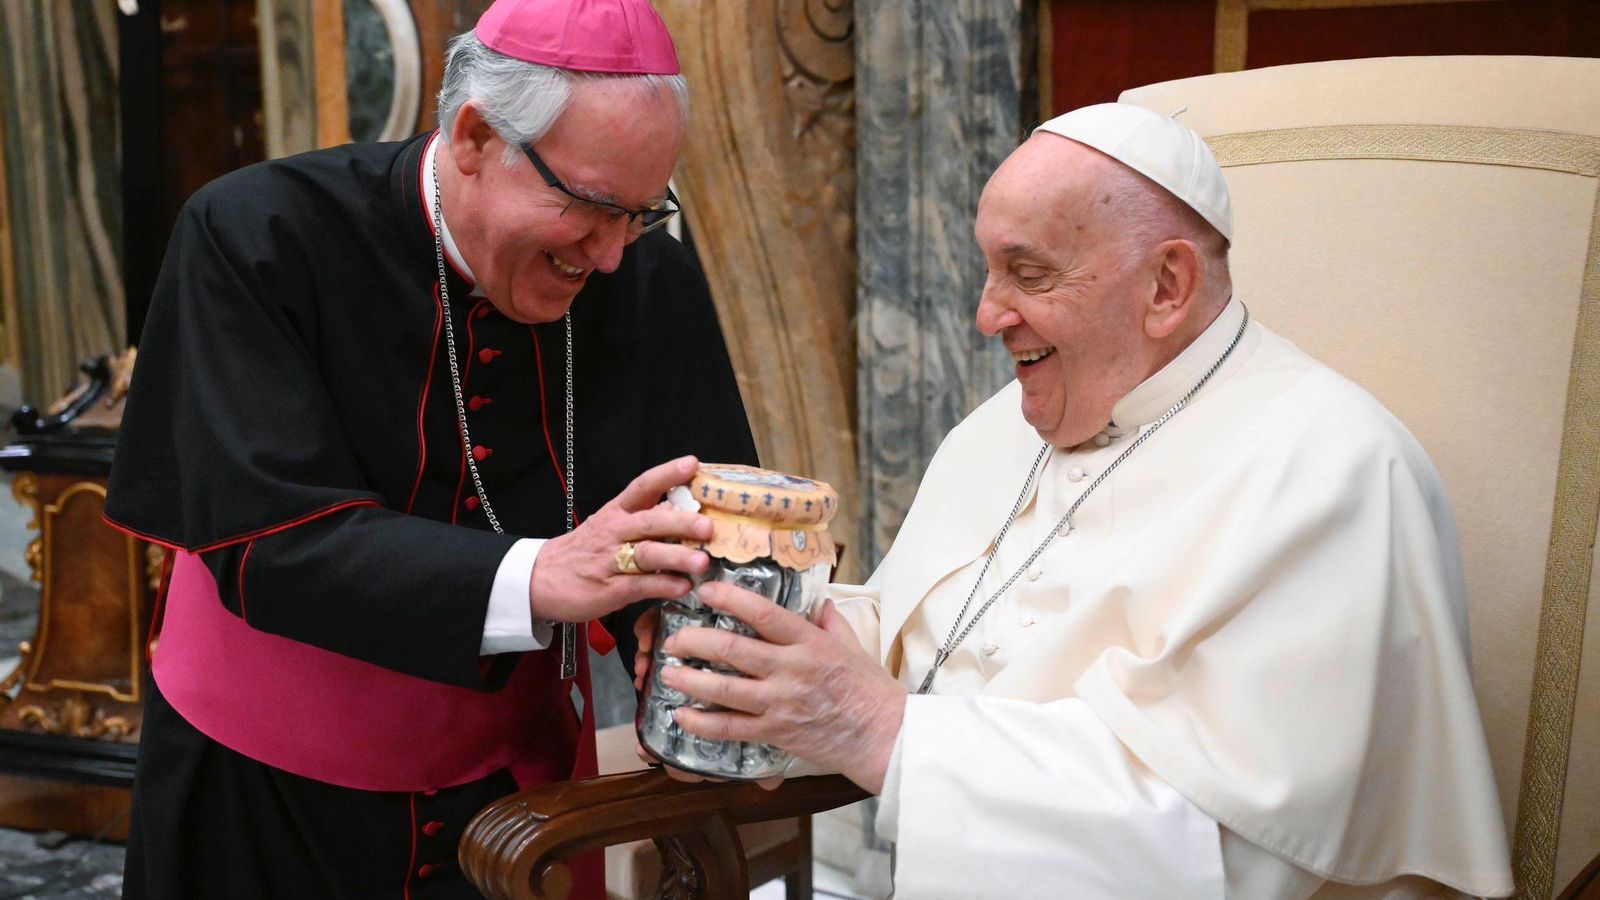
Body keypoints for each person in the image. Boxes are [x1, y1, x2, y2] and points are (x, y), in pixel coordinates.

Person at [648, 104, 1515, 898]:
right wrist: (756, 646)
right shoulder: (1011, 421)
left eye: (1027, 274)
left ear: (1167, 288)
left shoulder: (1339, 469)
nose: (988, 316)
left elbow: (1228, 848)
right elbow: (925, 642)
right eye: (988, 270)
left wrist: (881, 730)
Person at [104, 0, 756, 897]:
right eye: (592, 207)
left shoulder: (645, 276)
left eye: (643, 213)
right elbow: (265, 535)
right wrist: (540, 578)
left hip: (513, 798)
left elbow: (704, 509)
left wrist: (675, 633)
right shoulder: (255, 236)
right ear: (478, 136)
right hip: (263, 796)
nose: (611, 258)